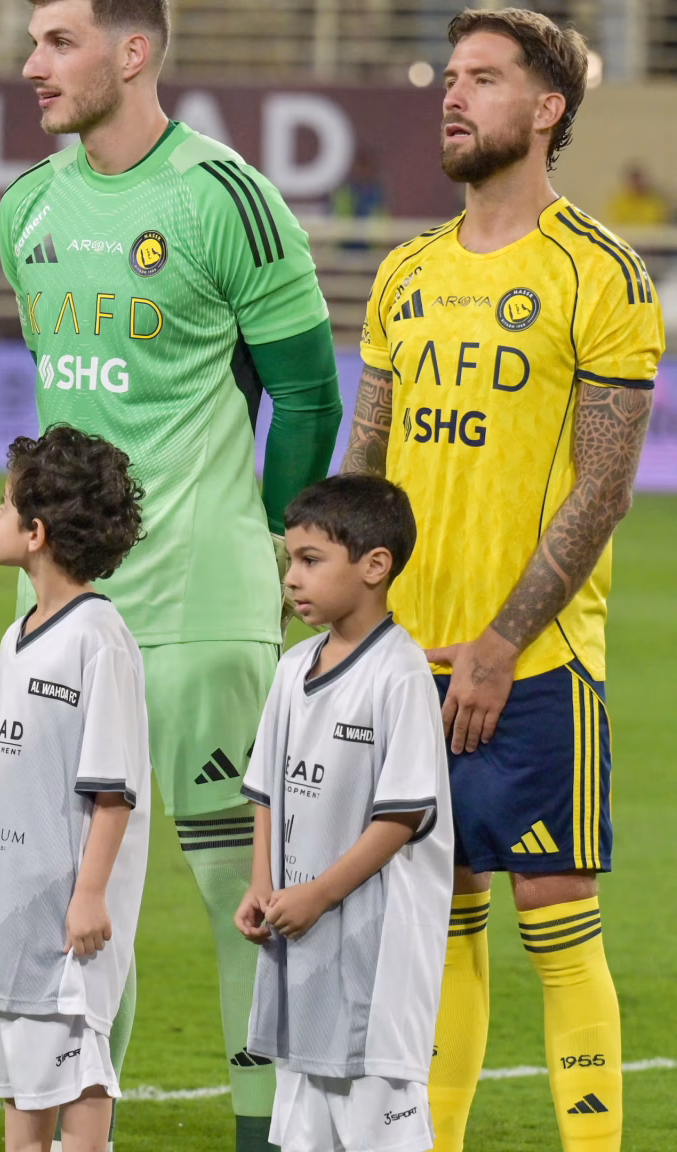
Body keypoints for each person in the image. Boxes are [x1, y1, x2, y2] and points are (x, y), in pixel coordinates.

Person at [0, 4, 346, 1147]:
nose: (31, 64)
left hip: (199, 599)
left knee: (236, 891)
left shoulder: (223, 198)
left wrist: (275, 543)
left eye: (57, 41)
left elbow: (305, 393)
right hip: (63, 611)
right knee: (73, 894)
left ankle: (264, 1135)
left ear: (131, 51)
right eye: (31, 41)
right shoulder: (26, 205)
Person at [340, 11, 660, 1151]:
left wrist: (499, 642)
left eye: (482, 77)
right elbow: (365, 464)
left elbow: (603, 487)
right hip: (403, 661)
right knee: (438, 914)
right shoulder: (405, 271)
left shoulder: (600, 272)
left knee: (554, 914)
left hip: (534, 664)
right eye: (450, 75)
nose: (452, 94)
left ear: (546, 108)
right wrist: (346, 625)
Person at [235, 475, 452, 1152]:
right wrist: (262, 884)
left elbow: (399, 819)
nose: (291, 577)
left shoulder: (401, 673)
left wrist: (319, 895)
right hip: (299, 941)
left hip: (374, 958)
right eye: (290, 560)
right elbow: (265, 791)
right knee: (306, 1126)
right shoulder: (293, 666)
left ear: (374, 565)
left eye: (311, 560)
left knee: (376, 1122)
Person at [0, 426, 148, 1152]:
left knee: (76, 1070)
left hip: (68, 913)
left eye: (5, 506)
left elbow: (113, 788)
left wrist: (90, 895)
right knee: (19, 1076)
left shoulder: (99, 637)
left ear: (35, 533)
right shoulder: (17, 637)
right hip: (9, 897)